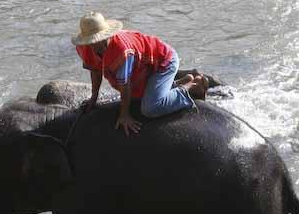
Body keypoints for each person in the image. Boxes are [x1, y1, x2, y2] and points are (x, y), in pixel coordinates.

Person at [71, 12, 206, 135]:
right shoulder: (84, 49)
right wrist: (93, 98)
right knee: (140, 96)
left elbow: (125, 85)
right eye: (92, 42)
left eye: (100, 40)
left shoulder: (122, 51)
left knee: (150, 108)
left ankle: (191, 87)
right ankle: (180, 82)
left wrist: (124, 115)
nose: (97, 45)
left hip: (163, 61)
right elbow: (95, 70)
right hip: (142, 67)